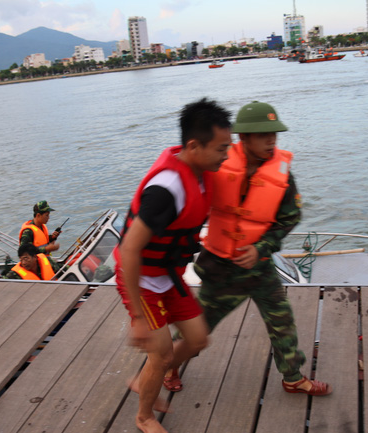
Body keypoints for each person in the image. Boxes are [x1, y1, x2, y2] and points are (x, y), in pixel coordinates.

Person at [175, 101, 332, 397]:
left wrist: (262, 247)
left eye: (274, 133)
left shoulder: (282, 173)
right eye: (263, 134)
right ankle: (169, 365)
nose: (271, 140)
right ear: (243, 138)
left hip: (258, 267)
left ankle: (293, 377)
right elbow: (189, 199)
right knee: (200, 326)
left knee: (281, 319)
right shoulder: (216, 162)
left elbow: (290, 217)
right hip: (219, 268)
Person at [115, 97, 231, 433]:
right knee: (162, 353)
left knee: (197, 339)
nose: (226, 155)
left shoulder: (201, 170)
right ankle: (144, 417)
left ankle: (147, 376)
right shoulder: (167, 189)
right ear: (194, 145)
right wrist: (137, 317)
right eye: (222, 148)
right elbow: (129, 250)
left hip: (167, 274)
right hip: (140, 280)